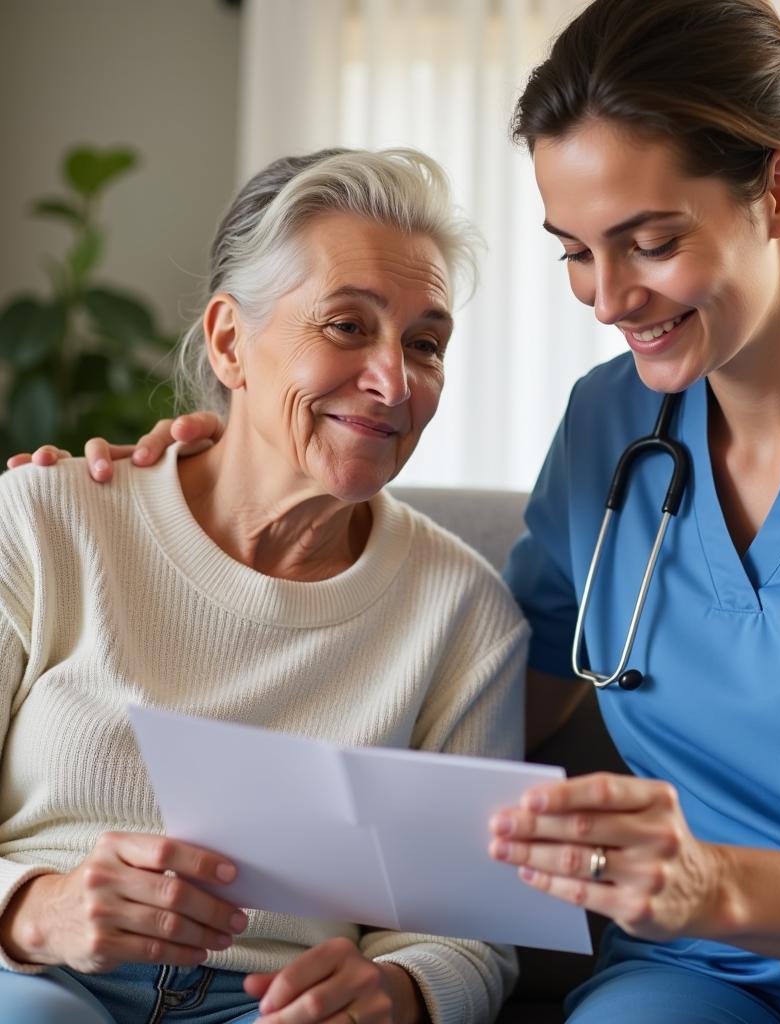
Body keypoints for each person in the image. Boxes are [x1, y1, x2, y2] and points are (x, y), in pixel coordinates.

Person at [12, 1, 780, 1021]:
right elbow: (466, 723)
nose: (607, 297)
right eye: (576, 252)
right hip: (692, 966)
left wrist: (707, 885)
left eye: (651, 241)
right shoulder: (610, 428)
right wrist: (188, 494)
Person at [0, 148, 527, 1024]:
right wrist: (33, 911)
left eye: (425, 344)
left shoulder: (465, 613)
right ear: (229, 341)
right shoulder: (43, 521)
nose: (393, 381)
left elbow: (471, 938)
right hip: (35, 980)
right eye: (348, 326)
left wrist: (398, 991)